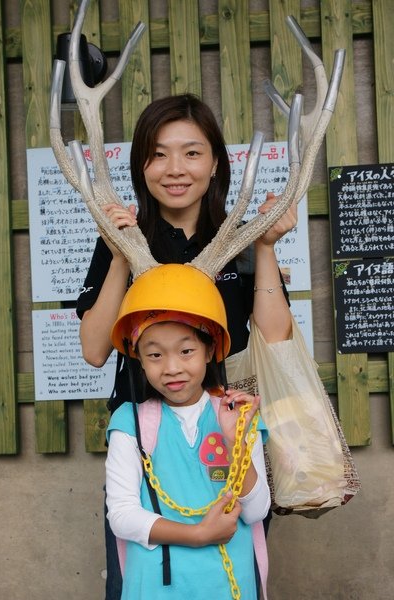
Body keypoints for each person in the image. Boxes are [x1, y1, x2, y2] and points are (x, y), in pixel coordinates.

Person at [75, 93, 296, 599]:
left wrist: (264, 246)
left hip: (228, 431)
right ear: (140, 166)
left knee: (231, 572)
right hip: (147, 440)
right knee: (145, 574)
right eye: (157, 154)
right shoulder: (128, 238)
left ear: (216, 162)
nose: (174, 169)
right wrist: (117, 254)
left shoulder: (238, 238)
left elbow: (275, 334)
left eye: (192, 153)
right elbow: (93, 349)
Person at [105, 262, 272, 599]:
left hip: (228, 585)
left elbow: (256, 510)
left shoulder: (239, 415)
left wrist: (235, 440)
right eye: (154, 354)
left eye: (186, 351)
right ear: (138, 358)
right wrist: (197, 534)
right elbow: (121, 515)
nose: (172, 367)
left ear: (210, 350)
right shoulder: (130, 422)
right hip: (155, 587)